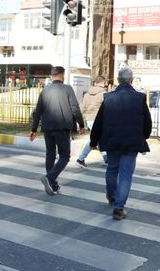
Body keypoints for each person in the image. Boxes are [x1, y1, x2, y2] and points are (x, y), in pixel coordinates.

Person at [90, 67, 151, 220]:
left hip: (111, 140)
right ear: (131, 80)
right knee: (125, 175)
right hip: (132, 142)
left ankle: (111, 196)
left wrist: (93, 141)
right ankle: (119, 208)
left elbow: (98, 122)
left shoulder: (108, 98)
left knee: (112, 169)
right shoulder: (140, 98)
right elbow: (147, 122)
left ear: (117, 80)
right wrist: (144, 136)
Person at [30, 66, 85, 196]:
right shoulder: (67, 89)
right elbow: (75, 108)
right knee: (65, 156)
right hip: (62, 128)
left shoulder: (45, 91)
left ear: (51, 76)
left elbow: (38, 112)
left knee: (50, 154)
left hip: (48, 128)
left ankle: (53, 185)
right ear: (62, 76)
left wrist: (33, 129)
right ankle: (50, 178)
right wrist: (81, 124)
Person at [76, 75, 108, 167]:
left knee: (96, 139)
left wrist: (80, 121)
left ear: (95, 83)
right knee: (96, 139)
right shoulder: (104, 94)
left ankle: (106, 159)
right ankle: (81, 159)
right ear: (103, 83)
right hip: (99, 119)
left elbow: (82, 107)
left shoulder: (86, 94)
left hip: (89, 119)